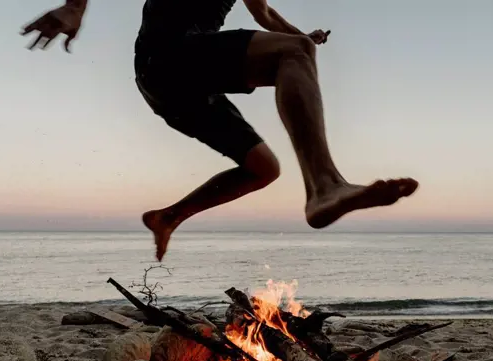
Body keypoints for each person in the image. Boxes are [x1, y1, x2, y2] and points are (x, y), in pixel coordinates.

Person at [21, 0, 419, 261]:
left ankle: (168, 217)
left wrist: (301, 36)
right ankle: (326, 185)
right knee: (295, 53)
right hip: (168, 55)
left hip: (177, 84)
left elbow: (265, 14)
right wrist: (75, 7)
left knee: (264, 168)